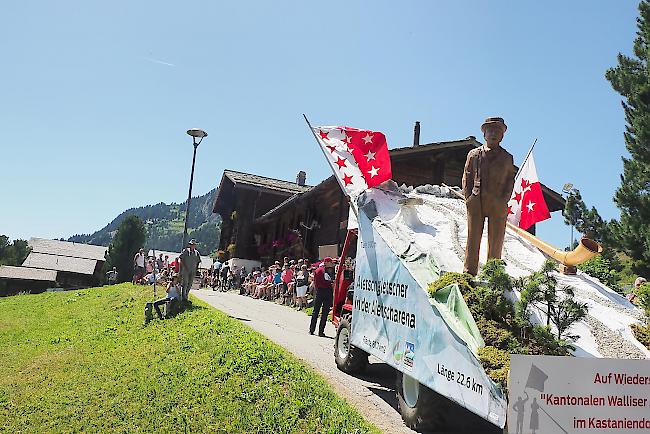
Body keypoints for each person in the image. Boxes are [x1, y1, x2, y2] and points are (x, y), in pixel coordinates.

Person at [462, 117, 515, 275]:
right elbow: (467, 177)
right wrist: (468, 199)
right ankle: (469, 272)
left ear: (502, 136)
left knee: (496, 240)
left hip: (497, 203)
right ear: (484, 134)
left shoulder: (507, 158)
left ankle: (493, 274)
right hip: (476, 200)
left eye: (497, 131)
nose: (493, 134)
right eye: (490, 131)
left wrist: (503, 200)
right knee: (473, 239)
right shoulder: (474, 154)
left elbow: (509, 181)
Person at [309, 257, 335, 336]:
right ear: (327, 262)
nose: (331, 264)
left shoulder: (317, 270)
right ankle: (321, 331)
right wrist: (331, 283)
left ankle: (311, 330)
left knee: (315, 311)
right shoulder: (327, 271)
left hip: (319, 291)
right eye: (330, 262)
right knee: (324, 313)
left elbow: (315, 282)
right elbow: (328, 281)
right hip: (327, 291)